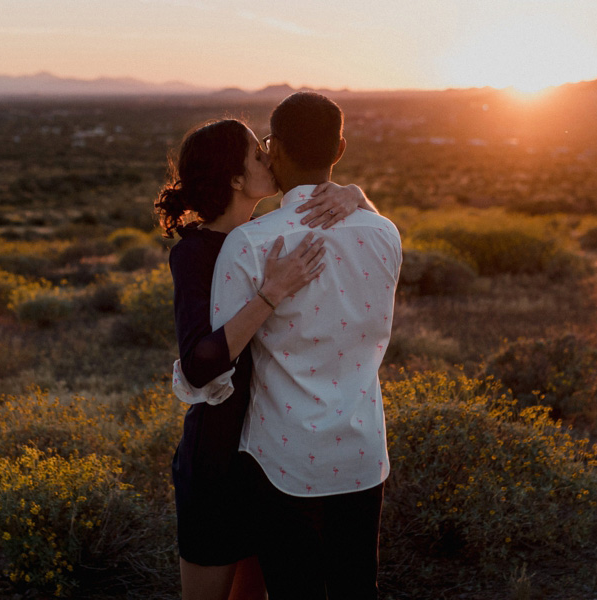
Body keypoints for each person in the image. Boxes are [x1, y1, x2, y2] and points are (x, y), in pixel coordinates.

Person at [154, 118, 373, 600]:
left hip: (271, 458)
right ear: (234, 178)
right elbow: (198, 363)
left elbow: (362, 238)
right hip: (216, 457)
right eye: (258, 155)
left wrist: (354, 193)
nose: (270, 158)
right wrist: (271, 293)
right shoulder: (195, 254)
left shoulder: (265, 237)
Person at [210, 93, 402, 599]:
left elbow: (216, 366)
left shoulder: (250, 244)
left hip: (283, 459)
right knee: (358, 588)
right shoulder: (384, 234)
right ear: (339, 148)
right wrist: (357, 196)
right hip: (361, 453)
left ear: (272, 151)